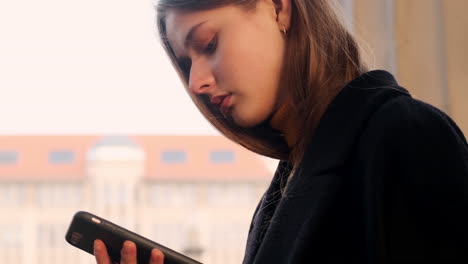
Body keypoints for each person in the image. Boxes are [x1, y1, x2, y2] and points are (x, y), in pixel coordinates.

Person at [94, 0, 468, 263]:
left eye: (208, 44)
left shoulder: (408, 135)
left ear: (278, 7)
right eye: (186, 63)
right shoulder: (287, 182)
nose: (195, 82)